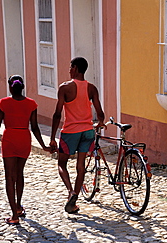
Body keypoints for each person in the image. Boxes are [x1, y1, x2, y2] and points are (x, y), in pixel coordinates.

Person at [0, 75, 50, 225]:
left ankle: (14, 214)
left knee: (10, 176)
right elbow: (35, 128)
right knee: (19, 173)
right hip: (24, 139)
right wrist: (44, 146)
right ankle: (19, 206)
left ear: (10, 87)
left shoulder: (4, 103)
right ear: (23, 87)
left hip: (9, 139)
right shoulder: (31, 104)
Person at [50, 57, 105, 214]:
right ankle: (73, 203)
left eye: (70, 67)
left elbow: (57, 114)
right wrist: (100, 123)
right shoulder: (92, 88)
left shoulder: (65, 88)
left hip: (70, 132)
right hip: (87, 131)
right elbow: (100, 113)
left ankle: (71, 192)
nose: (69, 70)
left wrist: (53, 137)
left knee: (62, 164)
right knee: (81, 167)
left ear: (74, 68)